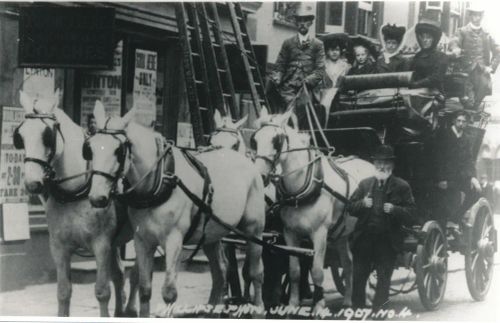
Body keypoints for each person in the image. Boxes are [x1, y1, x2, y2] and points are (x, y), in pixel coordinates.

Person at [348, 145, 416, 310]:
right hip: (364, 239)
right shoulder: (365, 184)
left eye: (385, 163)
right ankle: (357, 312)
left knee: (384, 280)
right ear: (374, 165)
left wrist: (395, 209)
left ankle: (380, 313)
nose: (381, 167)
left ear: (391, 166)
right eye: (378, 163)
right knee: (358, 277)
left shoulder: (402, 186)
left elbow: (412, 214)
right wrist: (362, 204)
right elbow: (350, 206)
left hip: (387, 241)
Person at [270, 4, 326, 123]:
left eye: (305, 20)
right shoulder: (288, 43)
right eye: (299, 20)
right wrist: (277, 76)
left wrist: (308, 81)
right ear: (296, 22)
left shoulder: (318, 45)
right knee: (274, 95)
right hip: (288, 87)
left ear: (310, 22)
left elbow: (320, 71)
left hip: (307, 89)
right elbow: (280, 65)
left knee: (300, 107)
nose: (302, 23)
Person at [433, 110, 482, 228]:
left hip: (458, 179)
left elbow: (469, 160)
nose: (461, 124)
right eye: (459, 121)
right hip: (444, 178)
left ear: (466, 124)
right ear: (454, 121)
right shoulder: (444, 135)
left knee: (476, 192)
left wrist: (473, 177)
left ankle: (455, 219)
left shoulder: (466, 138)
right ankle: (446, 224)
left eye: (464, 122)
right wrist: (440, 179)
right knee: (444, 202)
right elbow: (437, 158)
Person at [449, 3, 500, 110]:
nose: (476, 18)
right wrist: (455, 49)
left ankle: (471, 114)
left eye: (479, 15)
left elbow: (498, 51)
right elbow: (454, 42)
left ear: (482, 17)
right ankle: (468, 116)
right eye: (474, 15)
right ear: (470, 16)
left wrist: (491, 67)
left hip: (482, 71)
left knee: (479, 95)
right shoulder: (462, 31)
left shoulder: (487, 33)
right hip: (465, 71)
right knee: (466, 99)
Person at [320, 34, 351, 126]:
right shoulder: (323, 65)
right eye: (331, 50)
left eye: (337, 50)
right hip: (325, 94)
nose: (334, 53)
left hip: (340, 96)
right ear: (327, 51)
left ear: (340, 51)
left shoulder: (345, 66)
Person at [409, 19, 448, 91]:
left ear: (435, 39)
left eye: (428, 37)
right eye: (422, 37)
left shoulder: (441, 57)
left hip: (434, 93)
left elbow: (436, 78)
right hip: (415, 92)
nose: (425, 40)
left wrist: (416, 84)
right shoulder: (417, 56)